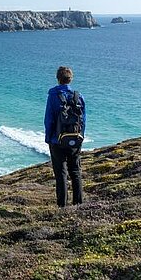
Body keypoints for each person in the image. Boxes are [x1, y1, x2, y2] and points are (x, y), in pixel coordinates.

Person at [44, 66, 86, 207]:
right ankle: (78, 204)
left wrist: (49, 138)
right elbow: (83, 120)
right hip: (75, 138)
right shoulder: (78, 96)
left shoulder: (53, 95)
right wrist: (81, 137)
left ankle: (62, 206)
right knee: (75, 171)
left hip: (57, 140)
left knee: (61, 173)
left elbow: (49, 119)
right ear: (70, 79)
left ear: (58, 78)